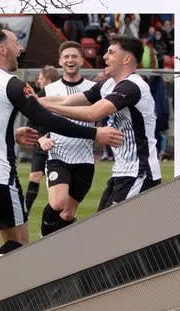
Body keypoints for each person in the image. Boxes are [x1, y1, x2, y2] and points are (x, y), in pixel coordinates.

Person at [0, 24, 123, 254]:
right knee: (19, 245)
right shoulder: (11, 83)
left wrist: (13, 135)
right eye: (16, 43)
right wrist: (95, 133)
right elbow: (50, 120)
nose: (20, 49)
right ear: (3, 49)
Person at [41, 36, 161, 211]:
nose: (104, 56)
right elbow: (69, 100)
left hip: (140, 173)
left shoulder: (132, 87)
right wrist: (36, 100)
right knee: (103, 229)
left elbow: (92, 113)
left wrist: (48, 107)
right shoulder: (108, 84)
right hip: (122, 172)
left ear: (126, 59)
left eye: (111, 52)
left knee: (111, 233)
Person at [33, 42, 98, 236]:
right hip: (58, 156)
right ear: (60, 61)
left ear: (81, 60)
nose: (70, 60)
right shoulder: (49, 90)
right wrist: (41, 139)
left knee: (68, 214)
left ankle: (59, 246)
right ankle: (44, 239)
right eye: (66, 57)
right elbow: (32, 122)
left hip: (85, 160)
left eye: (74, 56)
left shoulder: (94, 89)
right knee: (58, 203)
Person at [24, 65, 59, 211]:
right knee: (35, 176)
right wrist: (39, 138)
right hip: (41, 142)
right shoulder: (39, 98)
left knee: (56, 184)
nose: (38, 81)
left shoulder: (61, 97)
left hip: (58, 144)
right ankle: (25, 211)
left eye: (41, 78)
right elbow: (30, 123)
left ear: (49, 80)